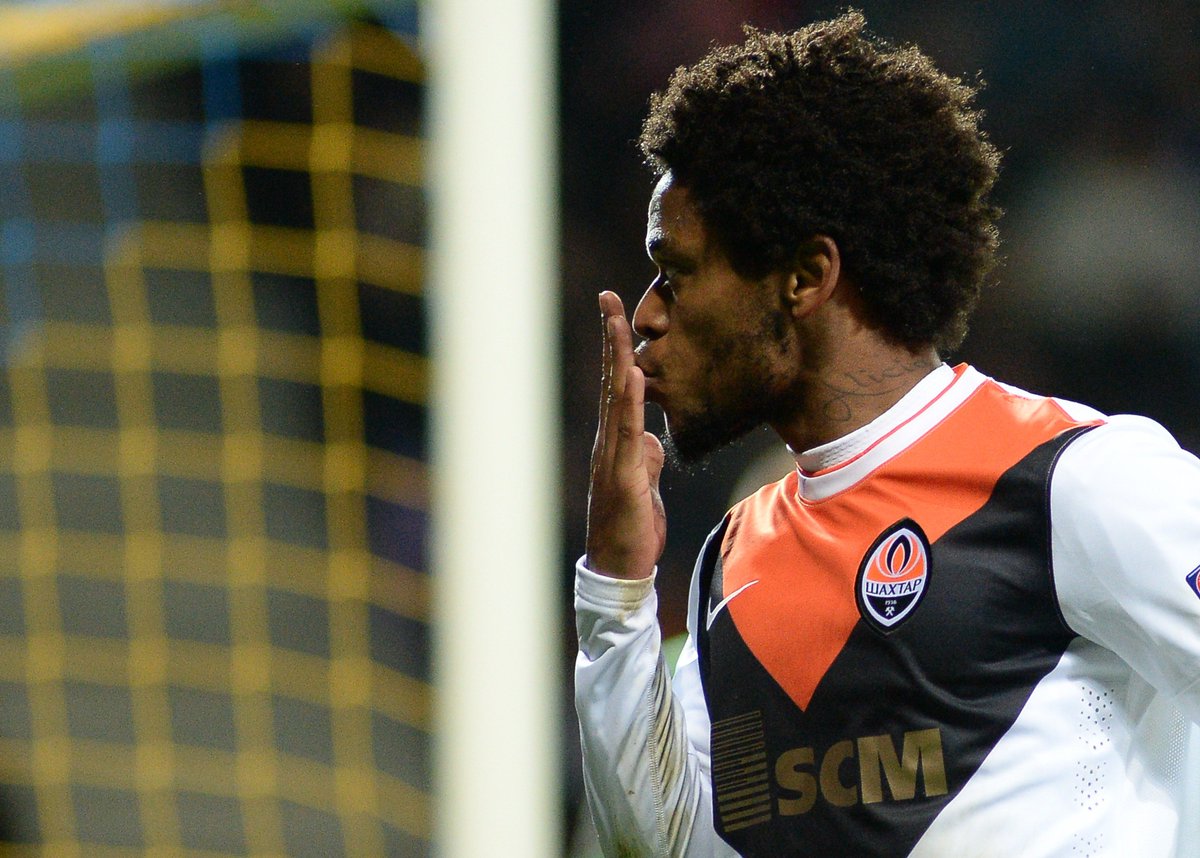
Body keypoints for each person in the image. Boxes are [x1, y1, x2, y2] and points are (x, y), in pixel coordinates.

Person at [574, 11, 1200, 857]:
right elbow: (664, 845)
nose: (647, 314)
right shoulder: (732, 563)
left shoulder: (1071, 479)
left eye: (677, 273)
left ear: (806, 278)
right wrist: (615, 590)